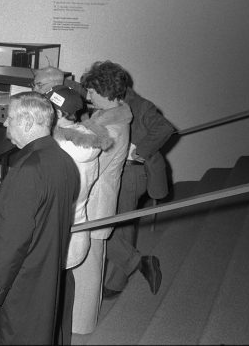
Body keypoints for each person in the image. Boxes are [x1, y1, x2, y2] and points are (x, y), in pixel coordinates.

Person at [0, 91, 80, 345]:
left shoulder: (26, 171)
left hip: (22, 280)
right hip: (47, 270)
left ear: (28, 123)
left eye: (10, 118)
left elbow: (10, 242)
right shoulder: (64, 161)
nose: (5, 123)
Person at [45, 85, 113, 343]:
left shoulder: (58, 149)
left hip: (61, 230)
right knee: (65, 288)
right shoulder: (86, 140)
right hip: (77, 227)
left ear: (56, 111)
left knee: (51, 298)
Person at [71, 60, 133, 335]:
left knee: (88, 267)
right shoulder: (110, 117)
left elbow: (92, 166)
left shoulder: (113, 128)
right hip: (97, 202)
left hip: (95, 206)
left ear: (106, 91)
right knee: (90, 263)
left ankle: (82, 326)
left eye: (93, 91)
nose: (88, 96)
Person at [103, 85, 175, 298]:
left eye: (92, 91)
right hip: (120, 170)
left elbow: (164, 127)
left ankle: (125, 273)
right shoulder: (116, 104)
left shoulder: (140, 105)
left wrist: (139, 151)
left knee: (117, 224)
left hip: (133, 172)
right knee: (117, 223)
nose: (89, 96)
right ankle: (125, 273)